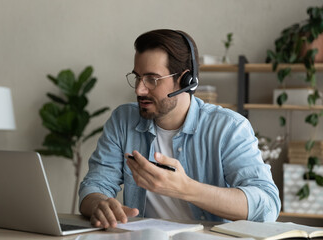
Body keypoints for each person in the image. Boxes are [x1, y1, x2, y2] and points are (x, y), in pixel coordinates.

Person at [79, 29, 281, 228]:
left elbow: (267, 206)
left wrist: (185, 188)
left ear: (186, 80)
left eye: (152, 79)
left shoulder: (229, 127)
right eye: (138, 77)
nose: (139, 89)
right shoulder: (123, 120)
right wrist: (99, 204)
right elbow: (95, 185)